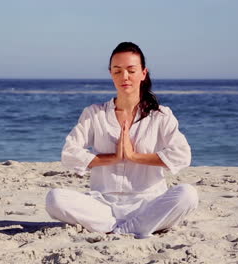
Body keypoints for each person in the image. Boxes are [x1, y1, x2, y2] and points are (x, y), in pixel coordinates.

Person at [45, 42, 198, 239]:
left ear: (143, 73)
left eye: (131, 70)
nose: (124, 77)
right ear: (111, 74)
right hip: (103, 206)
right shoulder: (94, 114)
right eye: (117, 71)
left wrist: (134, 156)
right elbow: (69, 154)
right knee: (54, 198)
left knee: (188, 195)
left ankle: (123, 229)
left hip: (148, 204)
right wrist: (113, 157)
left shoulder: (160, 116)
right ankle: (127, 227)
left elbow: (182, 155)